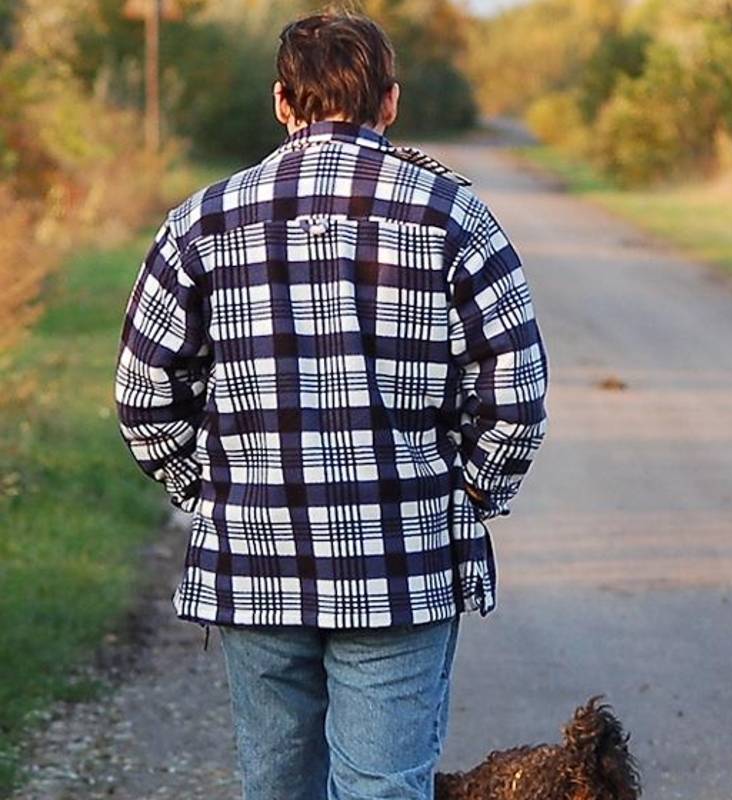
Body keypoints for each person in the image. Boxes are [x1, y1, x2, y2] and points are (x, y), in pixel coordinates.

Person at [113, 11, 548, 799]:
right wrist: (471, 492)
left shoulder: (200, 223)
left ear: (282, 102)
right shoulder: (454, 216)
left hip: (255, 556)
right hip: (403, 559)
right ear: (391, 102)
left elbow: (144, 396)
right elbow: (515, 393)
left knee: (276, 783)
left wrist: (210, 490)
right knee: (385, 786)